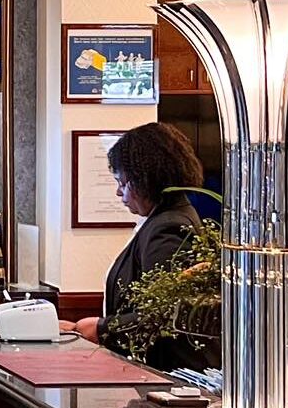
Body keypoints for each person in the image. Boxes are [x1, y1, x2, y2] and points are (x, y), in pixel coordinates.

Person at [72, 122, 215, 370]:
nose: (119, 193)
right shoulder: (167, 217)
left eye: (121, 182)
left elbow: (164, 312)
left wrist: (101, 329)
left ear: (143, 179)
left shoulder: (167, 228)